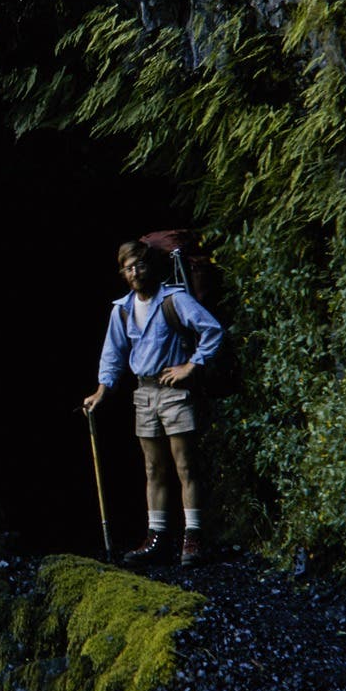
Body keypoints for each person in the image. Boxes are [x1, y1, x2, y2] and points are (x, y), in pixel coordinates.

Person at [81, 240, 223, 566]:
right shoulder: (123, 309)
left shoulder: (174, 299)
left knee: (185, 465)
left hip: (174, 391)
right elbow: (113, 354)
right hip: (143, 394)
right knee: (153, 468)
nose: (135, 272)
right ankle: (157, 537)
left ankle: (193, 537)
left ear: (151, 267)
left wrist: (191, 365)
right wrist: (102, 391)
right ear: (123, 272)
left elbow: (211, 329)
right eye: (128, 267)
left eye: (140, 265)